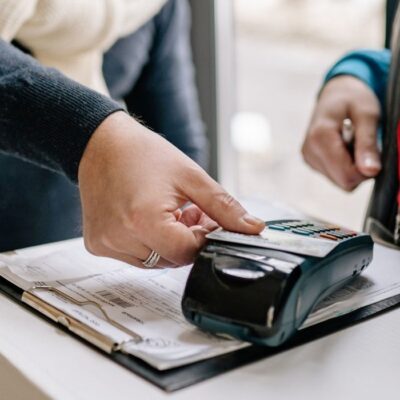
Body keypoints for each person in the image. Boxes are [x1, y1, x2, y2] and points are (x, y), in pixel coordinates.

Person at [0, 0, 265, 268]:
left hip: (71, 269)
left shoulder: (150, 5)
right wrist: (92, 134)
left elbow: (179, 141)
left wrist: (190, 222)